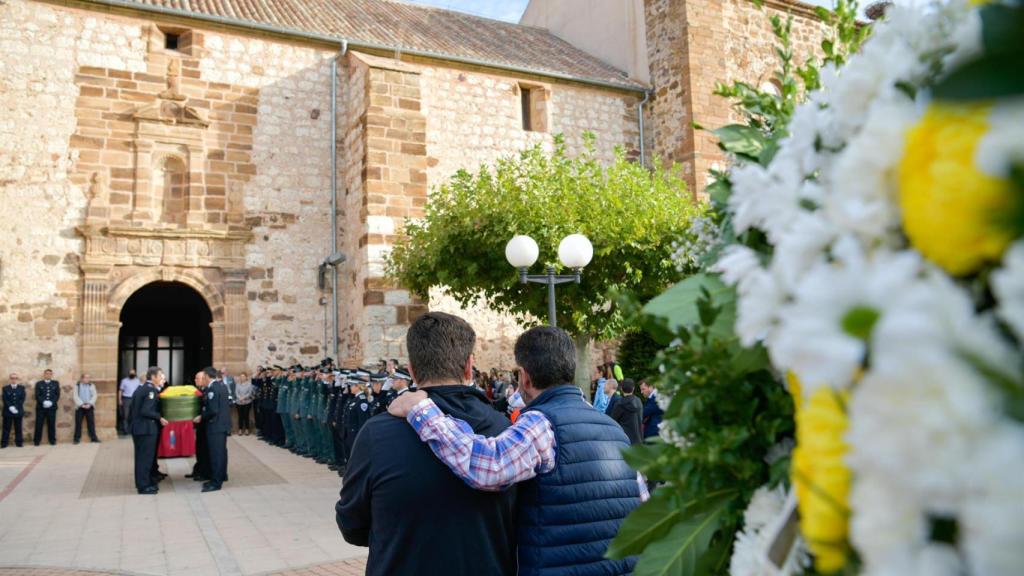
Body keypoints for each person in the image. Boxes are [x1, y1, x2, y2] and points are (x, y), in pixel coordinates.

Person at [389, 325, 646, 576]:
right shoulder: (613, 429)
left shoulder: (542, 424)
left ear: (524, 377)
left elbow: (488, 468)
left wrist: (424, 413)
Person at [337, 312, 516, 576]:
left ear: (411, 370)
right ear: (469, 366)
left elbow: (351, 524)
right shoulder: (505, 430)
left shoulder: (377, 434)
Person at [130, 367, 168, 495]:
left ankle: (146, 482)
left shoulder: (143, 388)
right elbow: (145, 410)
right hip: (145, 429)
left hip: (141, 428)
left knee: (144, 458)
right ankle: (143, 486)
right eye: (160, 376)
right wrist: (159, 417)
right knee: (144, 459)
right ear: (153, 377)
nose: (163, 379)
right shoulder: (150, 390)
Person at [200, 366, 231, 492]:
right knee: (221, 453)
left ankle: (216, 482)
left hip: (215, 425)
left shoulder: (213, 388)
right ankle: (221, 475)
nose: (203, 379)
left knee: (216, 454)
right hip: (222, 424)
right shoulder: (221, 385)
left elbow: (213, 410)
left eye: (203, 377)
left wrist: (201, 417)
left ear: (207, 376)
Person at [186, 371, 211, 482]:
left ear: (204, 378)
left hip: (205, 425)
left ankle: (203, 472)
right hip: (199, 425)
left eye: (198, 378)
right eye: (195, 378)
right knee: (199, 449)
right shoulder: (200, 391)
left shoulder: (206, 391)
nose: (195, 380)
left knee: (204, 450)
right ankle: (198, 470)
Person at [609, 379, 644, 445]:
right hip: (639, 439)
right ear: (633, 388)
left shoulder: (620, 404)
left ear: (621, 389)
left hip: (625, 440)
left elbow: (613, 421)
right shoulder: (639, 401)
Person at [33, 369, 60, 446]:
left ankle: (52, 440)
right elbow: (37, 395)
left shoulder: (55, 383)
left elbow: (57, 394)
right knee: (39, 424)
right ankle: (37, 441)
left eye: (50, 374)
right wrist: (43, 402)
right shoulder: (39, 384)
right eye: (47, 373)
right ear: (44, 374)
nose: (48, 375)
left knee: (51, 424)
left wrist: (51, 402)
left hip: (52, 407)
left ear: (52, 375)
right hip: (41, 407)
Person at [73, 373, 100, 444]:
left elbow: (94, 395)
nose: (87, 379)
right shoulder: (77, 386)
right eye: (86, 378)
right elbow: (75, 396)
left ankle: (93, 438)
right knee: (78, 423)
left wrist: (90, 403)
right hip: (80, 407)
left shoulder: (92, 385)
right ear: (82, 378)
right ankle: (76, 439)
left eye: (89, 378)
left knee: (91, 423)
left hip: (89, 406)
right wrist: (81, 404)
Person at [2, 373, 26, 448]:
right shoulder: (5, 388)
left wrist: (16, 407)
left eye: (15, 378)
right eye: (12, 378)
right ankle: (4, 443)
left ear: (17, 379)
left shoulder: (21, 388)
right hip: (8, 411)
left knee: (18, 427)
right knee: (6, 428)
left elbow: (22, 399)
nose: (13, 379)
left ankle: (19, 442)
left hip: (18, 411)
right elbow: (5, 399)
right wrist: (10, 407)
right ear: (10, 379)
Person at [119, 370, 141, 436]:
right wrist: (119, 399)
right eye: (131, 373)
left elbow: (140, 390)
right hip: (126, 398)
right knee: (125, 415)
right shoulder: (124, 381)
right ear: (128, 373)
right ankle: (125, 430)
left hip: (135, 399)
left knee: (134, 414)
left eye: (133, 373)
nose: (132, 374)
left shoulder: (138, 381)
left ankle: (132, 429)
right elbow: (121, 390)